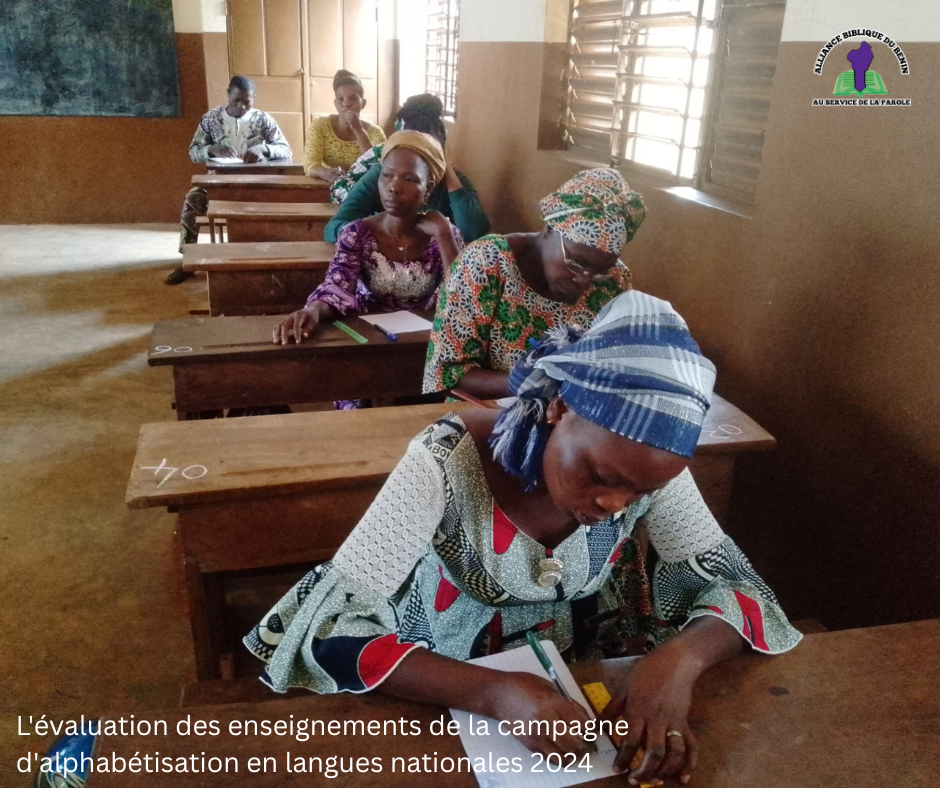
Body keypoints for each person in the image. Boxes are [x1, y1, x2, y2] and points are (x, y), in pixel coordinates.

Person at [246, 289, 801, 785]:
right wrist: (492, 692)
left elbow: (739, 590)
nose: (615, 505)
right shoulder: (444, 459)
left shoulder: (642, 468)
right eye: (601, 477)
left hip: (586, 685)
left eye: (639, 493)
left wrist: (678, 662)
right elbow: (328, 629)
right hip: (446, 688)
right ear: (559, 408)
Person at [423, 167, 644, 399]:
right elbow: (446, 375)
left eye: (600, 271)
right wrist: (539, 383)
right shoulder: (485, 263)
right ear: (549, 228)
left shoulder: (615, 280)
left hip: (575, 416)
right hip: (485, 413)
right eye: (577, 262)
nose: (585, 280)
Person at [168, 75, 293, 285]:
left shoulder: (263, 119)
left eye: (247, 102)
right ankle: (188, 260)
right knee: (193, 199)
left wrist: (264, 149)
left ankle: (267, 257)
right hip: (217, 184)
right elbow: (193, 152)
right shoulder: (211, 119)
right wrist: (211, 149)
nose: (241, 106)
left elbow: (286, 150)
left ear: (254, 98)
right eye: (236, 101)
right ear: (228, 94)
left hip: (256, 185)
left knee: (280, 204)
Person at [324, 95, 489, 244]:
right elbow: (333, 228)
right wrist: (375, 230)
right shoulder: (382, 174)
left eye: (410, 179)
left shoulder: (454, 182)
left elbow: (474, 232)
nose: (394, 187)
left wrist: (445, 166)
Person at [304, 69, 386, 184]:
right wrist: (325, 172)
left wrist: (358, 129)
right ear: (335, 104)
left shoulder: (375, 133)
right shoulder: (321, 125)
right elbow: (310, 163)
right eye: (340, 99)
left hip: (364, 187)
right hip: (329, 185)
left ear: (363, 103)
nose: (346, 103)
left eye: (353, 98)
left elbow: (377, 167)